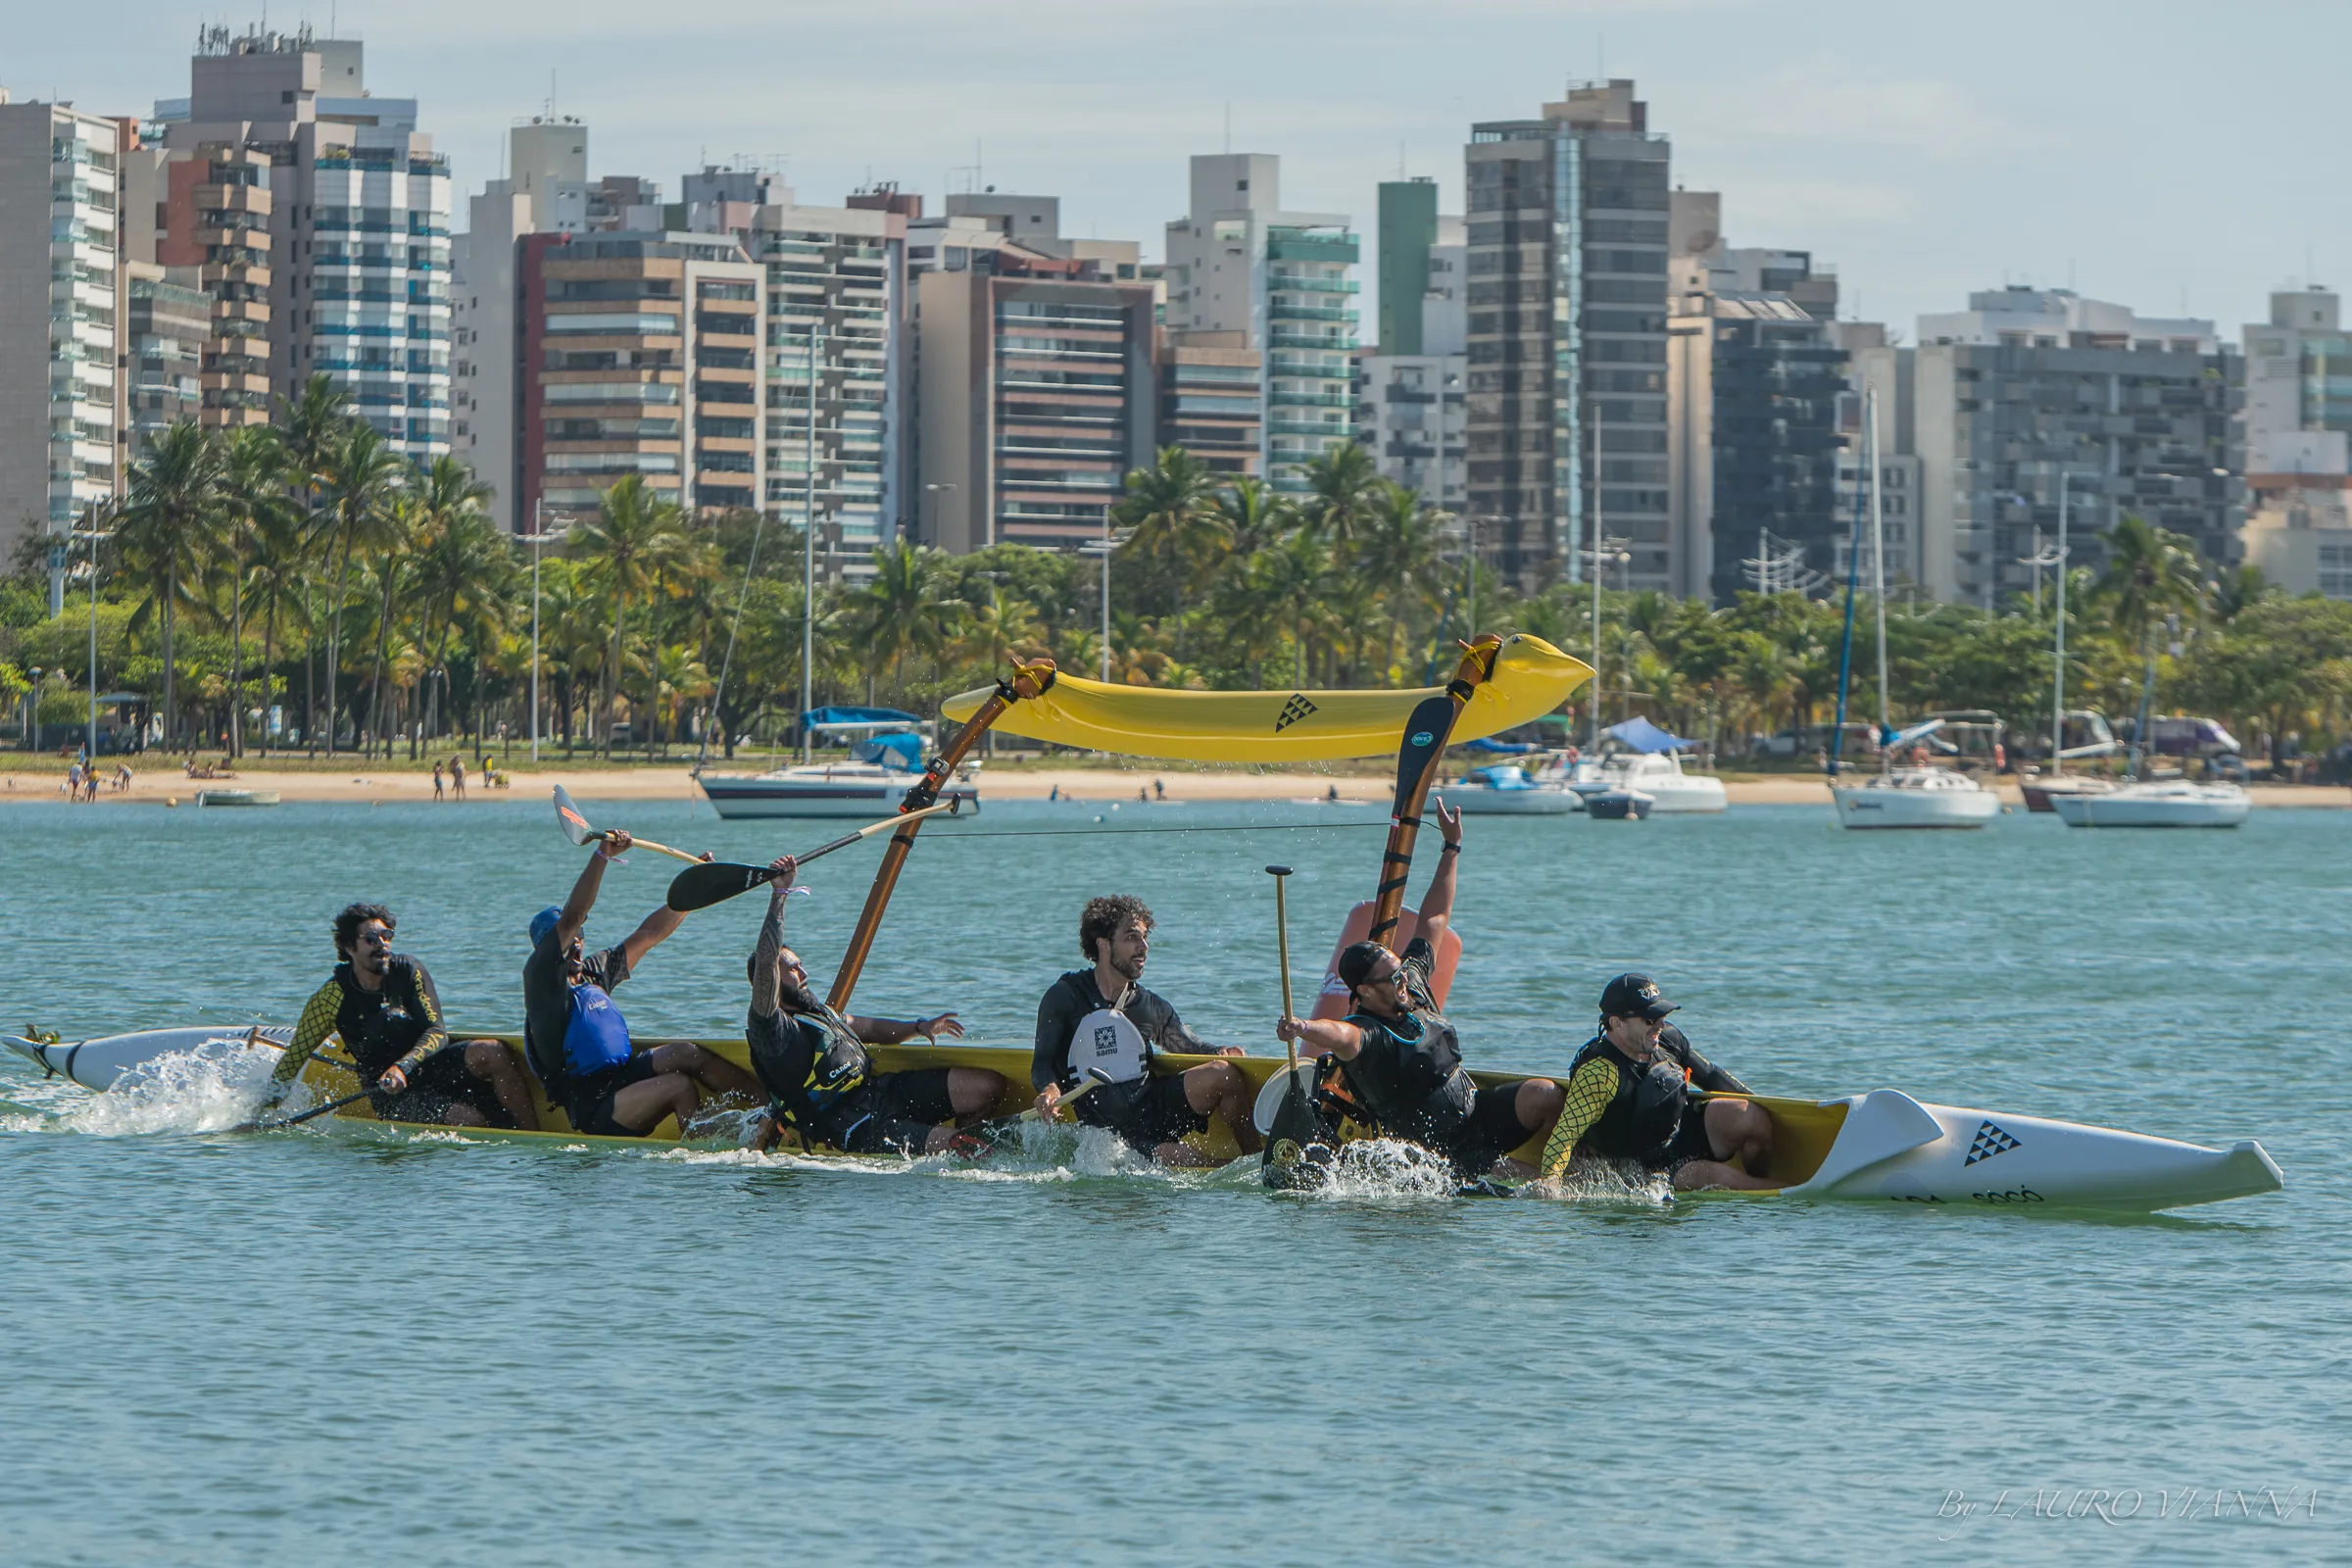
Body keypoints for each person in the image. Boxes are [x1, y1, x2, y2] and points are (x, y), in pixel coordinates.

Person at [1276, 800, 1563, 1180]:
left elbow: (1434, 918)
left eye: (1399, 972)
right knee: (1519, 1177)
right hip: (1441, 1156)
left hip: (1477, 1113)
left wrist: (1452, 846)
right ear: (1364, 990)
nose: (1402, 981)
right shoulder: (1366, 1032)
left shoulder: (1409, 983)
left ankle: (1580, 1167)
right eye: (1391, 978)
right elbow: (1339, 1034)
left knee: (1545, 1094)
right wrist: (1303, 1028)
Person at [741, 855, 1005, 1156]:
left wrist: (920, 1027)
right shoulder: (770, 1029)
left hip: (884, 1092)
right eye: (792, 969)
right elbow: (765, 961)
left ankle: (960, 1145)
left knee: (987, 1086)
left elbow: (871, 1027)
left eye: (801, 966)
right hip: (855, 1126)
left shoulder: (818, 1014)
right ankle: (958, 1148)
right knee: (959, 1146)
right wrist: (779, 895)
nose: (804, 974)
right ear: (773, 979)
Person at [523, 828, 761, 1137]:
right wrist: (602, 855)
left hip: (622, 1078)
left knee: (685, 1053)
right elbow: (573, 916)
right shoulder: (542, 985)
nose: (579, 943)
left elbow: (648, 936)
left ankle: (776, 1107)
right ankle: (709, 1150)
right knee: (679, 1086)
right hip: (592, 1107)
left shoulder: (592, 973)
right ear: (547, 949)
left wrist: (692, 891)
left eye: (581, 937)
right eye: (571, 939)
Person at [1032, 895, 1261, 1166]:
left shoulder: (1146, 1005)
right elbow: (1042, 1065)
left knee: (1224, 1074)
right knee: (1186, 1160)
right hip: (1112, 1134)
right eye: (1132, 938)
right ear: (1103, 945)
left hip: (1153, 1106)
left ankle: (1257, 1161)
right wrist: (1049, 1092)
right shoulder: (1064, 997)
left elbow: (1187, 1046)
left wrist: (1222, 1051)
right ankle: (1232, 1171)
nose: (1144, 947)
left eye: (1144, 938)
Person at [270, 903, 540, 1128]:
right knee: (469, 1120)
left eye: (387, 936)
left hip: (430, 1068)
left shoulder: (409, 971)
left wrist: (404, 1065)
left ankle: (533, 1133)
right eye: (372, 939)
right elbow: (295, 1057)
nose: (383, 944)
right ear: (349, 947)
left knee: (492, 1051)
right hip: (390, 1092)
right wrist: (263, 1111)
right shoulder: (330, 998)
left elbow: (436, 1032)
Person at [1533, 974, 1776, 1192]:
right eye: (1649, 1019)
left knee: (1749, 1115)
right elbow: (1565, 1135)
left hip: (1676, 1132)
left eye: (1661, 1015)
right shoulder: (1598, 1072)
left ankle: (1763, 1177)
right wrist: (1551, 1182)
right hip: (1635, 1164)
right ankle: (1783, 1190)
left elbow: (1711, 1075)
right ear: (1618, 1024)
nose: (1660, 1024)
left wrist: (1770, 1107)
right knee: (1704, 1174)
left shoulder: (1668, 1038)